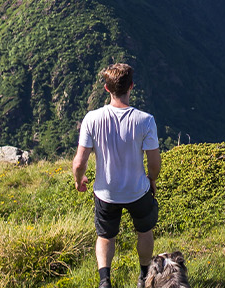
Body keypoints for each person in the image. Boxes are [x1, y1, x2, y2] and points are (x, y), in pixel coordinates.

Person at [73, 63, 162, 288]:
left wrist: (79, 180)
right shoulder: (145, 120)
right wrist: (152, 179)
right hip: (138, 190)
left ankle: (105, 281)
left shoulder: (92, 119)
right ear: (131, 86)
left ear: (106, 88)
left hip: (105, 192)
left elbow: (79, 162)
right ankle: (144, 277)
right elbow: (154, 162)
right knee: (144, 231)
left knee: (105, 236)